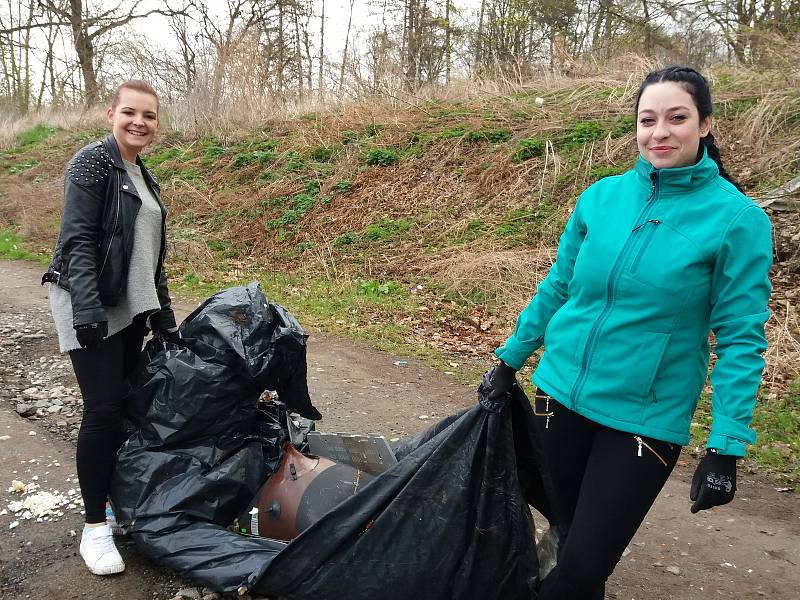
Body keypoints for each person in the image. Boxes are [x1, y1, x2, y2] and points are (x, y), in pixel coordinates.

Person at [486, 66, 772, 599]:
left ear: (705, 124)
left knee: (580, 571)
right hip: (560, 396)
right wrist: (510, 359)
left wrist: (726, 445)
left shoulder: (738, 221)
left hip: (643, 419)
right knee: (562, 533)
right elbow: (559, 286)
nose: (659, 132)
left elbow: (740, 338)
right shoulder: (601, 198)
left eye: (676, 118)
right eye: (647, 120)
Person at [42, 80, 178, 576]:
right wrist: (87, 310)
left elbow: (150, 256)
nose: (139, 122)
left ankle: (115, 508)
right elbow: (77, 239)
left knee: (124, 406)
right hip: (90, 301)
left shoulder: (145, 175)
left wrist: (163, 313)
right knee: (101, 410)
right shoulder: (92, 162)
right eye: (129, 113)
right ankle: (94, 529)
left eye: (149, 115)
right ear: (110, 114)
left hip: (130, 305)